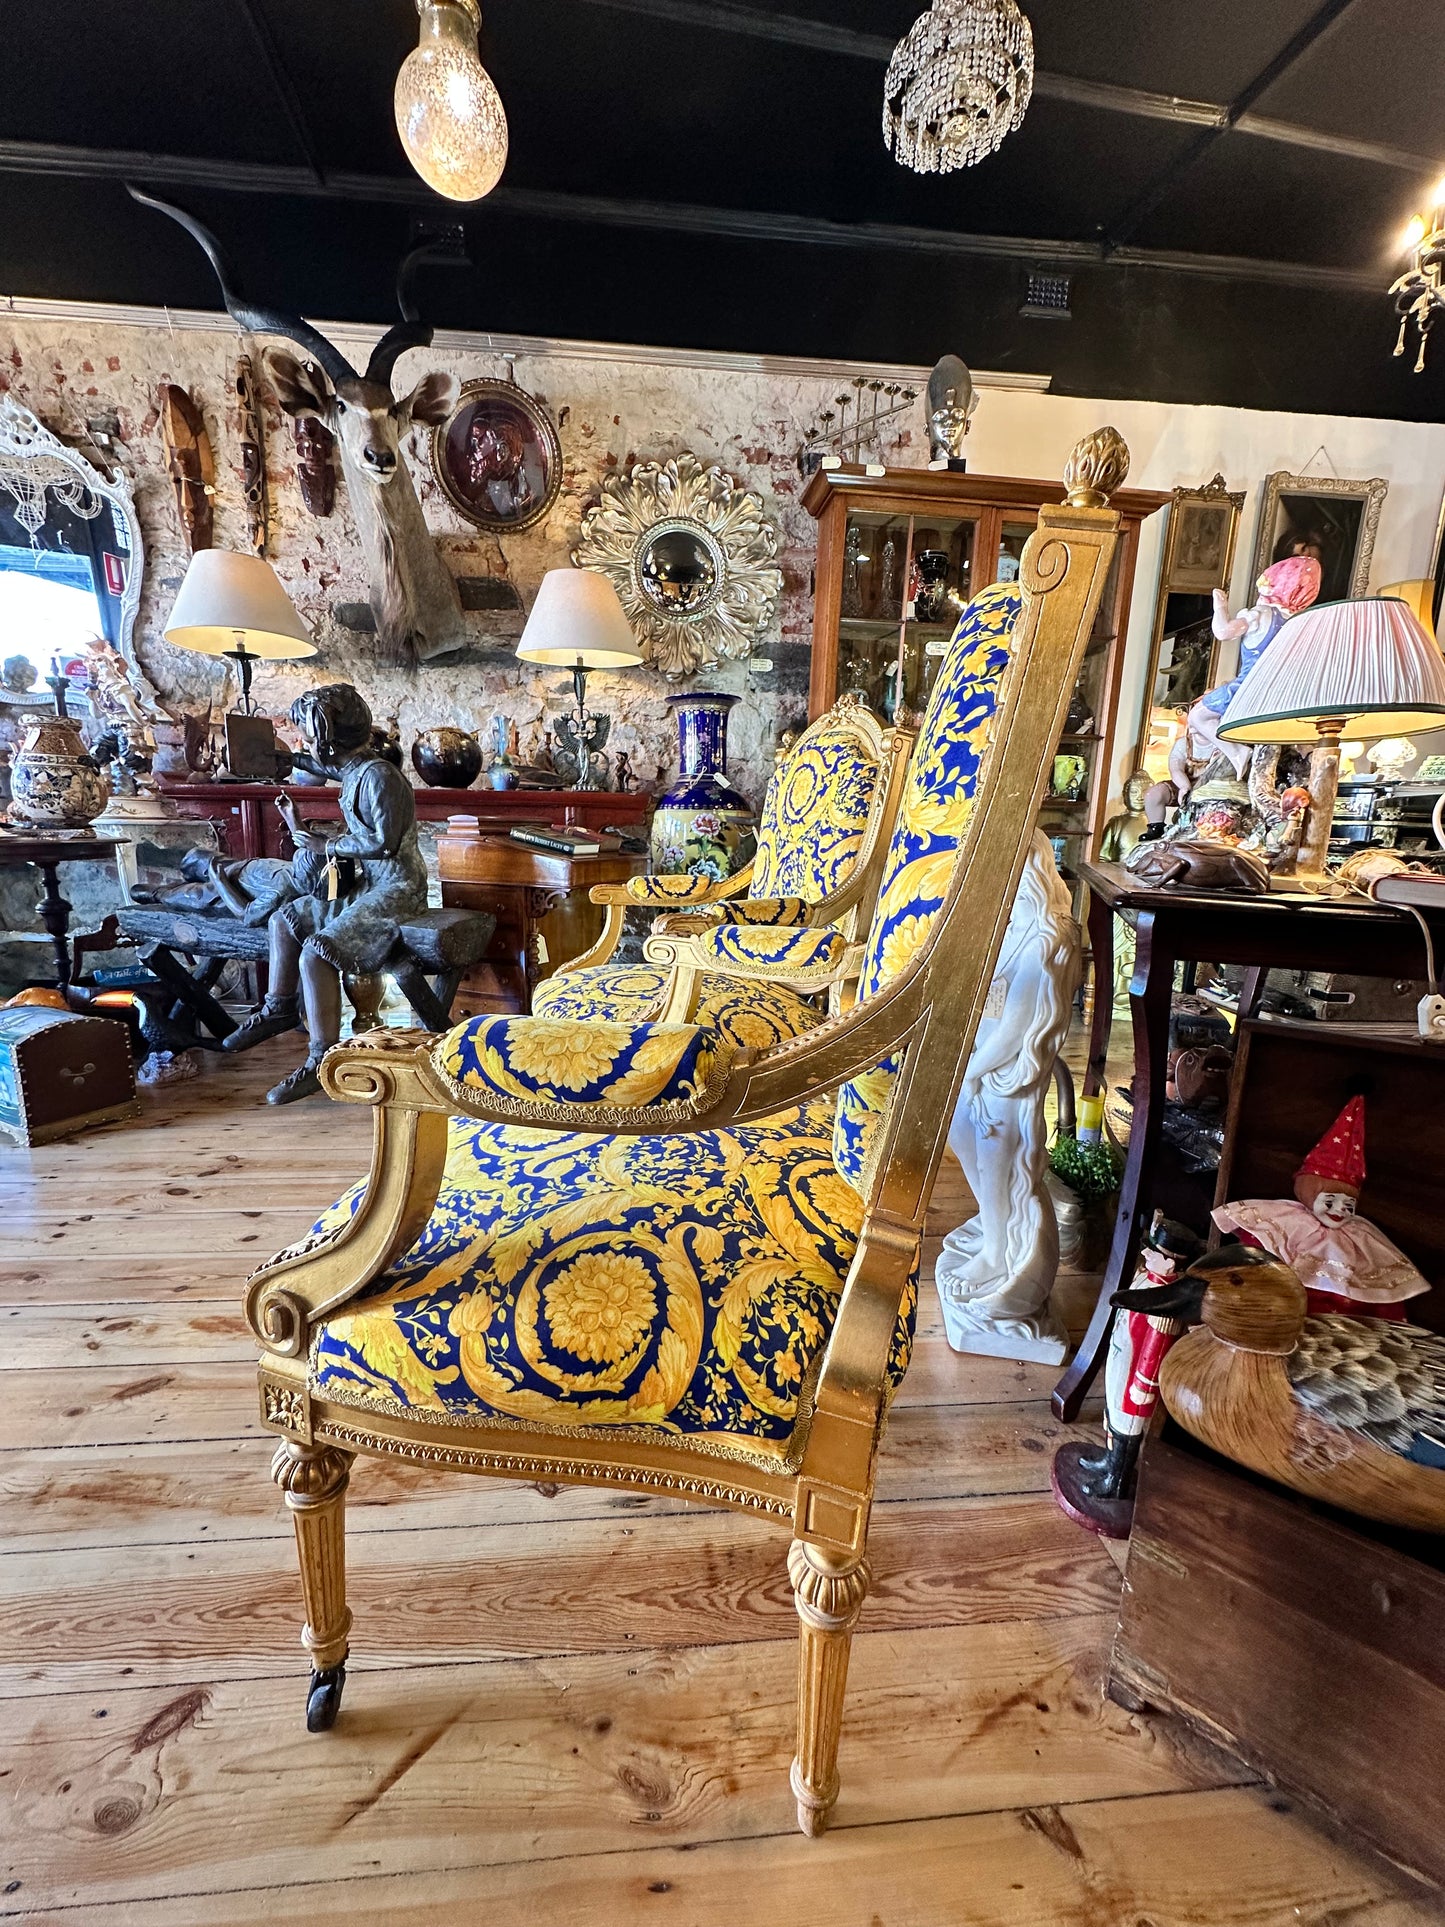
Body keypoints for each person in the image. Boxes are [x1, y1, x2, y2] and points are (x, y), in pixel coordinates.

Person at [222, 684, 428, 1105]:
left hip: (397, 889)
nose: (302, 744)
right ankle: (279, 1007)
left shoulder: (381, 777)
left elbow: (384, 843)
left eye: (305, 738)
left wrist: (325, 846)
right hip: (373, 882)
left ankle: (321, 1059)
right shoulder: (357, 770)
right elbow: (335, 771)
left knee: (315, 952)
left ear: (326, 740)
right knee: (284, 919)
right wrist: (289, 760)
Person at [1213, 1096, 1430, 1316]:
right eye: (1330, 1201)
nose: (1339, 1210)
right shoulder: (1288, 1220)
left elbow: (1385, 1300)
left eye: (1349, 1205)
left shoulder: (1363, 1238)